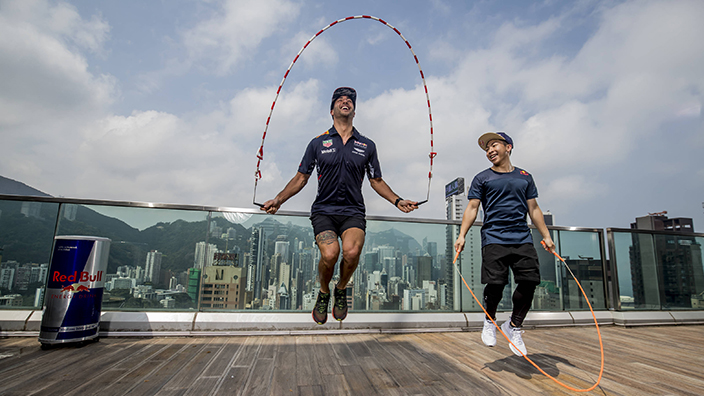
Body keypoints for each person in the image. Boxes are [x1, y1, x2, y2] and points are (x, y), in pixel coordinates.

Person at [262, 87, 418, 325]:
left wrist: (397, 201)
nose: (346, 101)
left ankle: (341, 288)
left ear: (354, 111)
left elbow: (376, 180)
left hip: (353, 211)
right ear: (332, 109)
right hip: (324, 210)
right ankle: (324, 291)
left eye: (350, 100)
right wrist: (278, 199)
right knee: (330, 253)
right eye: (340, 99)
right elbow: (301, 178)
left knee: (352, 252)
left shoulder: (367, 145)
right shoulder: (317, 143)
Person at [454, 131, 555, 356]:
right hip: (494, 238)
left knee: (530, 282)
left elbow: (534, 208)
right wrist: (461, 235)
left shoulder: (525, 176)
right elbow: (472, 208)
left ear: (508, 147)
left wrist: (547, 236)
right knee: (495, 284)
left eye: (494, 145)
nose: (490, 150)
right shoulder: (482, 178)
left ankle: (514, 326)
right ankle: (490, 321)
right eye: (487, 148)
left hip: (522, 238)